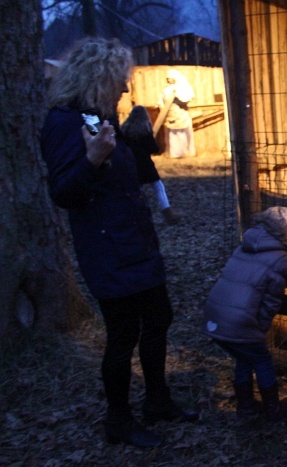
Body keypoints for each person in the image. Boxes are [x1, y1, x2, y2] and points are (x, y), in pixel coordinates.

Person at [41, 38, 197, 448]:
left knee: (159, 318)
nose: (127, 89)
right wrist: (91, 160)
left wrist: (134, 139)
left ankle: (158, 401)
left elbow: (137, 168)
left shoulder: (103, 116)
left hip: (137, 241)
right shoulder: (63, 123)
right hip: (107, 248)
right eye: (120, 80)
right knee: (123, 334)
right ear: (98, 77)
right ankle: (118, 420)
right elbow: (63, 193)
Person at [201, 206, 287, 422]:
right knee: (261, 359)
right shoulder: (280, 257)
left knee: (243, 357)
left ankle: (245, 406)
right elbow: (271, 302)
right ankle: (273, 410)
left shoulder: (246, 245)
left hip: (215, 317)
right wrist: (260, 327)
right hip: (239, 322)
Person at [121, 105, 180, 225]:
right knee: (158, 187)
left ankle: (134, 215)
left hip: (131, 164)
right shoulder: (144, 129)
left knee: (135, 190)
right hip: (145, 164)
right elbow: (153, 148)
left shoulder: (124, 129)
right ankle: (168, 214)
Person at [157, 69, 196, 159]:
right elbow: (161, 101)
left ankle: (182, 152)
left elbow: (186, 98)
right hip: (170, 114)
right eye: (168, 78)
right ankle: (173, 153)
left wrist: (177, 96)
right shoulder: (166, 89)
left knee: (181, 134)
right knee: (172, 135)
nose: (169, 80)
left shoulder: (181, 88)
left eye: (170, 78)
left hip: (181, 114)